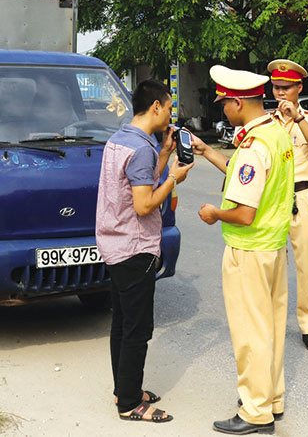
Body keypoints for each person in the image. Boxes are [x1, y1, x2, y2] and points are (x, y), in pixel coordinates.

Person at [193, 65, 294, 434]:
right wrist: (206, 152)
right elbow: (242, 171)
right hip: (274, 248)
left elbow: (244, 212)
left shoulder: (253, 147)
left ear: (237, 103)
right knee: (271, 328)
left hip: (248, 250)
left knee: (250, 333)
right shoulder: (274, 134)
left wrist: (214, 212)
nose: (223, 110)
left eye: (224, 104)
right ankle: (272, 399)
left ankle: (254, 412)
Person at [95, 79, 193, 423]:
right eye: (168, 108)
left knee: (121, 322)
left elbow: (136, 182)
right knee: (138, 328)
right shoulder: (140, 149)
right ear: (155, 107)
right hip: (134, 247)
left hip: (113, 243)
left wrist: (165, 154)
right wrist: (173, 179)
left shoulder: (120, 139)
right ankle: (130, 405)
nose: (170, 115)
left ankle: (125, 390)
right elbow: (144, 204)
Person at [267, 58, 308, 352]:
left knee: (307, 266)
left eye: (286, 88)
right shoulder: (266, 121)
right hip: (273, 199)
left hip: (301, 197)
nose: (280, 93)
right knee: (273, 264)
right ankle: (273, 323)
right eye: (276, 87)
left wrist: (299, 119)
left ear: (298, 88)